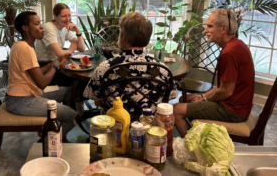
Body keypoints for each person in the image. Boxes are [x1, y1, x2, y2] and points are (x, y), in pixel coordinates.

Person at [173, 9, 255, 137]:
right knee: (184, 99)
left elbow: (225, 92)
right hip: (237, 106)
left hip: (232, 111)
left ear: (223, 29)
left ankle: (192, 150)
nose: (205, 30)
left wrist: (204, 99)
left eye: (210, 26)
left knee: (176, 109)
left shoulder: (229, 53)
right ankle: (198, 137)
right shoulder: (236, 45)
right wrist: (203, 96)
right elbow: (222, 86)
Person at [83, 12, 178, 119]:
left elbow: (97, 102)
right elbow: (169, 99)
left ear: (123, 37)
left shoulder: (105, 68)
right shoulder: (163, 69)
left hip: (115, 126)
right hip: (150, 126)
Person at [5, 11, 78, 141]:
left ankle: (59, 135)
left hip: (27, 94)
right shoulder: (25, 49)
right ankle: (45, 144)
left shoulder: (22, 45)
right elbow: (42, 83)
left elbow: (37, 72)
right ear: (25, 28)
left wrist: (55, 62)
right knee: (72, 115)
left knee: (70, 92)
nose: (41, 27)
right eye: (37, 24)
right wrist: (55, 66)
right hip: (21, 101)